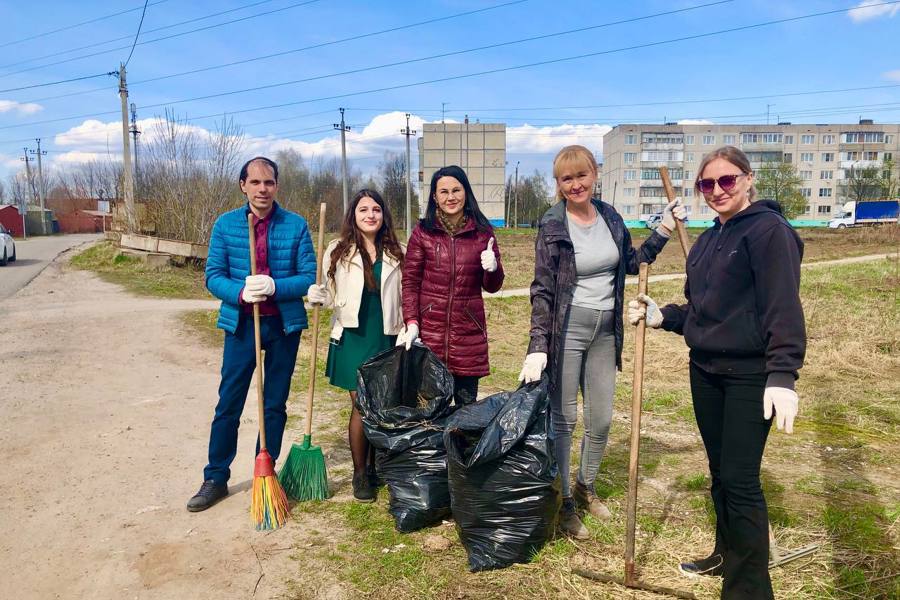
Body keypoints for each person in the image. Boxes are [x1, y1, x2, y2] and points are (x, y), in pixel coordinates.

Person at [627, 145, 805, 599]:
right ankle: (726, 554)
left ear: (747, 180)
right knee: (720, 472)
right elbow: (703, 312)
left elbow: (782, 308)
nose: (717, 191)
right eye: (707, 184)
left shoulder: (769, 232)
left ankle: (747, 590)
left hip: (750, 376)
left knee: (742, 481)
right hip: (705, 371)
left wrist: (782, 374)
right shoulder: (707, 241)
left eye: (727, 180)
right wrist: (662, 316)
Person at [519, 145, 684, 539]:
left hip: (606, 330)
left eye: (581, 175)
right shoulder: (552, 224)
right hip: (567, 329)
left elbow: (631, 261)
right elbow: (542, 288)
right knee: (564, 419)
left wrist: (662, 230)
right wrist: (538, 343)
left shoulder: (609, 216)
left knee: (602, 419)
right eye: (566, 178)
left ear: (594, 174)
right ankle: (562, 503)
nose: (575, 184)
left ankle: (585, 486)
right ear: (558, 184)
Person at [187, 156, 317, 512]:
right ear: (243, 185)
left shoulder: (295, 225)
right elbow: (213, 275)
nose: (263, 189)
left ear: (277, 186)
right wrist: (241, 293)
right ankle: (215, 477)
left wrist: (275, 286)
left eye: (269, 182)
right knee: (229, 400)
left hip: (283, 325)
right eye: (256, 182)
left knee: (274, 403)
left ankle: (266, 470)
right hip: (243, 324)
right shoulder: (227, 225)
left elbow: (308, 275)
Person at [306, 189, 405, 503]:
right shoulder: (338, 250)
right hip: (353, 335)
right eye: (364, 210)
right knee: (362, 405)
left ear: (383, 215)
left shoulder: (396, 251)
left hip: (386, 334)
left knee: (379, 406)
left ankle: (376, 468)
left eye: (376, 209)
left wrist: (408, 325)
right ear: (354, 215)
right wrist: (318, 297)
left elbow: (406, 294)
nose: (371, 215)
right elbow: (330, 294)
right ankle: (360, 473)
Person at [398, 165, 504, 406]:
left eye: (456, 190)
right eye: (443, 191)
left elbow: (493, 287)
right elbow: (411, 282)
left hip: (468, 336)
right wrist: (412, 322)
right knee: (431, 412)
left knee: (466, 414)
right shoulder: (423, 233)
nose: (451, 197)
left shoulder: (482, 233)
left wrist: (493, 268)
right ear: (434, 197)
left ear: (466, 192)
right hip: (430, 334)